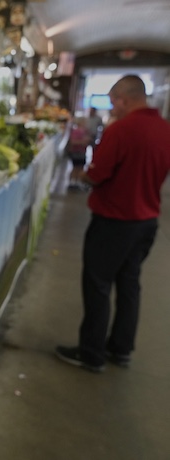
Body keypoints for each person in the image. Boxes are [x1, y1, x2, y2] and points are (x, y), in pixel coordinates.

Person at [55, 75, 170, 373]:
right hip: (147, 221)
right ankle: (121, 348)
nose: (112, 107)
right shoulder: (164, 129)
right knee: (130, 284)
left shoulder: (122, 130)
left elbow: (97, 174)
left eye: (113, 100)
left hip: (114, 220)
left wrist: (79, 175)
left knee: (98, 285)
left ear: (124, 98)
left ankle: (91, 353)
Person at [64, 117, 91, 189]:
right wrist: (82, 142)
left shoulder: (85, 131)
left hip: (82, 152)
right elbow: (73, 141)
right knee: (75, 167)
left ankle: (77, 182)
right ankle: (72, 182)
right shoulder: (76, 131)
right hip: (76, 152)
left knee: (80, 167)